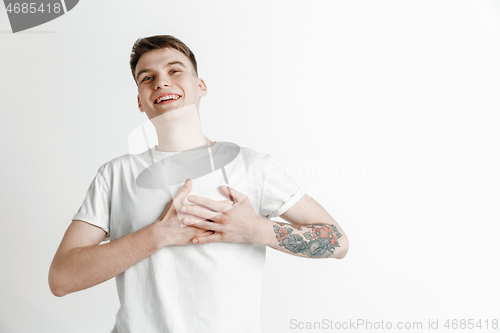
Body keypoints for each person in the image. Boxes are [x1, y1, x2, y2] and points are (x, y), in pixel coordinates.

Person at [48, 35, 349, 333]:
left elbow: (337, 242)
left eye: (174, 70)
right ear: (140, 101)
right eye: (147, 77)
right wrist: (156, 236)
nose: (161, 82)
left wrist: (255, 229)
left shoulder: (252, 166)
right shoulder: (116, 175)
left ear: (201, 86)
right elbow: (61, 278)